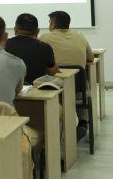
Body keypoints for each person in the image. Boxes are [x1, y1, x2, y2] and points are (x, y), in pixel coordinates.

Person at [39, 10, 95, 138]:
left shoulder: (45, 37)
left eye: (49, 22)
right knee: (82, 85)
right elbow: (91, 58)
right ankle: (83, 123)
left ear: (52, 24)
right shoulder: (80, 36)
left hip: (53, 88)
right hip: (77, 89)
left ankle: (56, 128)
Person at [5, 14, 59, 85]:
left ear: (15, 29)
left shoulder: (4, 44)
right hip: (36, 89)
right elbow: (51, 72)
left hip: (10, 88)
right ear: (37, 31)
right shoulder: (45, 47)